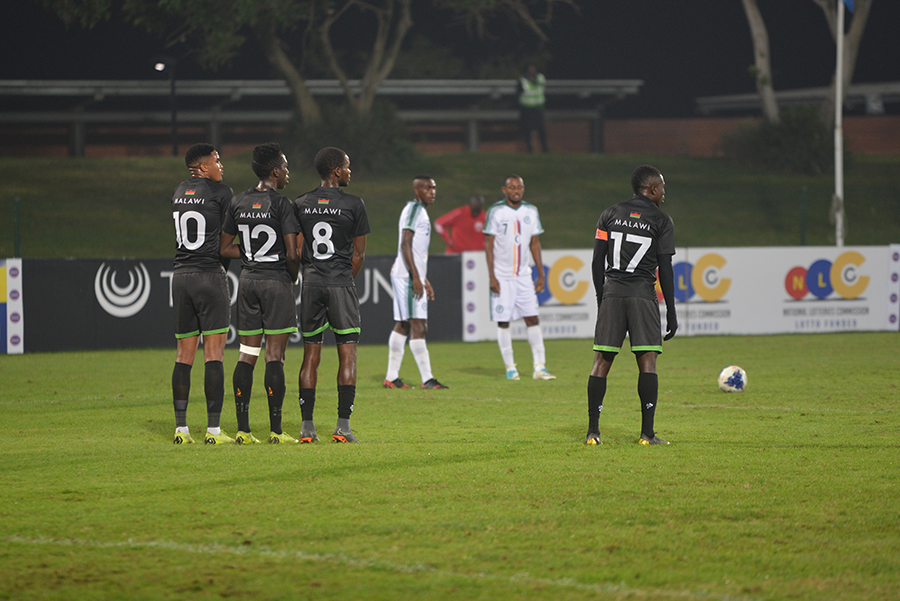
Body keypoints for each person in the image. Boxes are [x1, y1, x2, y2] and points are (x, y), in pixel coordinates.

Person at [585, 165, 677, 447]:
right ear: (651, 189)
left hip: (612, 294)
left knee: (601, 362)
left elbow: (597, 261)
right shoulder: (661, 220)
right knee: (647, 361)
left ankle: (592, 433)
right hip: (641, 296)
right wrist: (671, 312)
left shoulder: (609, 214)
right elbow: (665, 268)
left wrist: (603, 298)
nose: (664, 192)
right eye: (662, 187)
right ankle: (647, 435)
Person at [219, 142, 300, 445]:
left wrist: (252, 254)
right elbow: (292, 253)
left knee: (247, 354)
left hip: (248, 282)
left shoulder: (238, 202)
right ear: (276, 171)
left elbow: (225, 248)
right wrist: (290, 276)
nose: (289, 172)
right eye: (286, 167)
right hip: (275, 282)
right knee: (274, 356)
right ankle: (277, 432)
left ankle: (243, 429)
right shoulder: (282, 204)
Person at [294, 147, 370, 443]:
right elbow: (359, 255)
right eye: (348, 167)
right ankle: (342, 427)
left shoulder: (300, 203)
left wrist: (314, 274)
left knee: (310, 353)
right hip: (340, 284)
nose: (350, 171)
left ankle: (306, 427)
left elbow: (299, 251)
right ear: (336, 171)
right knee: (347, 353)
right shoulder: (354, 204)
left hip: (311, 284)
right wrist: (341, 281)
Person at [170, 143, 234, 445]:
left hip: (180, 277)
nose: (221, 166)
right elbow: (224, 245)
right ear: (203, 166)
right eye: (217, 161)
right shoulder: (222, 194)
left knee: (183, 355)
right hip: (209, 275)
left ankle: (181, 429)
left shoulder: (179, 191)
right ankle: (213, 431)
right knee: (214, 355)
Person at [483, 174, 555, 381]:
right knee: (503, 322)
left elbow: (535, 244)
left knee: (532, 318)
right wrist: (492, 276)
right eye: (512, 187)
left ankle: (540, 367)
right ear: (504, 190)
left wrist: (540, 273)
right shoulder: (495, 212)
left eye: (519, 187)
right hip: (502, 276)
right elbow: (488, 246)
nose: (516, 190)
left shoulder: (531, 211)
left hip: (524, 276)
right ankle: (510, 367)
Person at [384, 176, 449, 390]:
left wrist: (423, 278)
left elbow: (417, 251)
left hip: (407, 274)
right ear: (417, 191)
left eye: (434, 187)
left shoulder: (420, 211)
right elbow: (405, 244)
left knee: (403, 325)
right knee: (419, 326)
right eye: (427, 188)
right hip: (406, 276)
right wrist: (415, 277)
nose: (432, 191)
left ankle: (391, 378)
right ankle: (427, 379)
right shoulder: (413, 210)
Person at [518, 64, 548, 153]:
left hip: (539, 106)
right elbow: (518, 92)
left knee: (541, 128)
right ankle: (530, 149)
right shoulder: (523, 80)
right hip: (527, 107)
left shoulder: (540, 77)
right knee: (528, 129)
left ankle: (544, 148)